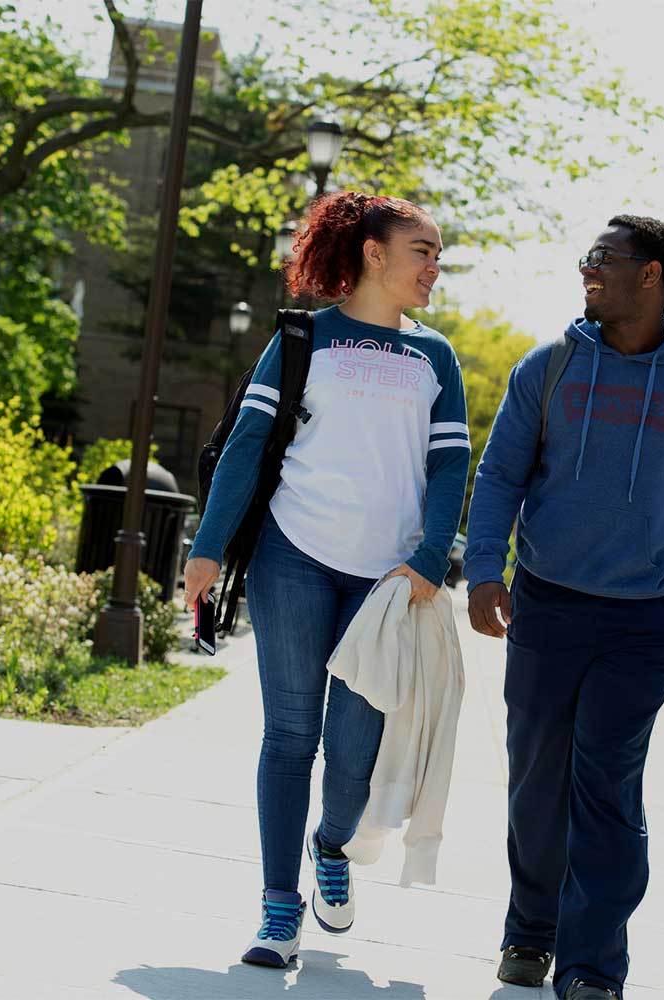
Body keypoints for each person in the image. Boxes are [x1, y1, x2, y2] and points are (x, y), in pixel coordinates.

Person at [183, 191, 470, 968]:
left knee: (353, 754)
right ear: (374, 254)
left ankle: (331, 845)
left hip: (386, 583)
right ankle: (279, 908)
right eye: (423, 251)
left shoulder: (433, 355)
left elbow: (450, 463)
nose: (435, 267)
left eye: (437, 254)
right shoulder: (303, 338)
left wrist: (430, 557)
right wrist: (207, 548)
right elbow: (247, 443)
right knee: (289, 734)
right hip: (294, 558)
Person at [464, 215, 664, 1000]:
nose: (587, 268)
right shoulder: (548, 367)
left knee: (607, 783)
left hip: (644, 619)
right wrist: (487, 568)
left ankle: (591, 967)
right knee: (537, 777)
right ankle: (531, 929)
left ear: (650, 276)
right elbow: (500, 474)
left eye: (603, 259)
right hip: (548, 605)